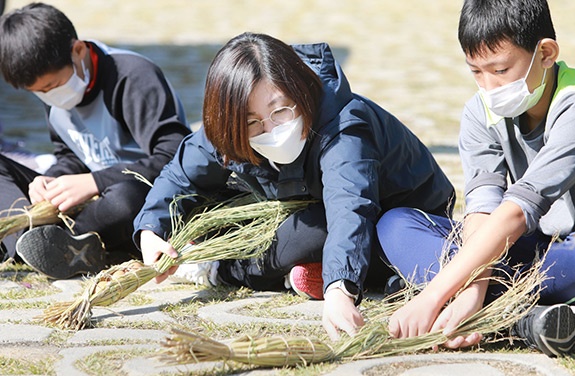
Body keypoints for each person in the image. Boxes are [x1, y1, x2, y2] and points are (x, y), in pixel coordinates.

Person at [133, 32, 455, 340]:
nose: (271, 129)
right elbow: (180, 176)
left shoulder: (342, 125)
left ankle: (220, 270)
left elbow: (350, 206)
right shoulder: (227, 131)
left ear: (300, 89)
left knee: (312, 232)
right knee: (247, 218)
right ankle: (308, 271)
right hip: (309, 204)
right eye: (252, 121)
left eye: (280, 110)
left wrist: (340, 290)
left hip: (398, 218)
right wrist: (150, 231)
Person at [378, 0, 575, 357]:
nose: (489, 86)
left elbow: (519, 208)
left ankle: (450, 295)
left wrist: (435, 294)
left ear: (545, 53)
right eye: (476, 72)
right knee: (396, 225)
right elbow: (482, 207)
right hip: (526, 249)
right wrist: (471, 290)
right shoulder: (479, 112)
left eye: (500, 69)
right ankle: (514, 317)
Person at [0, 3, 191, 279]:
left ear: (78, 51)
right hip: (89, 205)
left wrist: (94, 182)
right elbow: (70, 155)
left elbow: (174, 155)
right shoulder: (54, 89)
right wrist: (51, 181)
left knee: (124, 200)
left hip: (140, 199)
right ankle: (29, 240)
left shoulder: (133, 76)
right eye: (39, 92)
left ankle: (52, 244)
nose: (49, 96)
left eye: (52, 87)